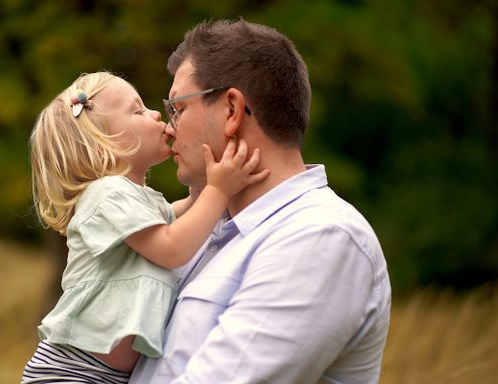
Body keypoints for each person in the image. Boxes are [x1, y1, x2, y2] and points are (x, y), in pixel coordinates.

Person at [129, 19, 392, 384]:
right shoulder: (205, 228)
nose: (169, 128)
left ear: (232, 110)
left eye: (178, 108)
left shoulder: (321, 238)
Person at [21, 71, 269, 383]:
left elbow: (176, 217)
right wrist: (218, 192)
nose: (154, 113)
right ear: (102, 143)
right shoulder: (107, 193)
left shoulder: (138, 201)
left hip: (103, 375)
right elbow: (172, 247)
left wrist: (206, 184)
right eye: (137, 111)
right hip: (71, 371)